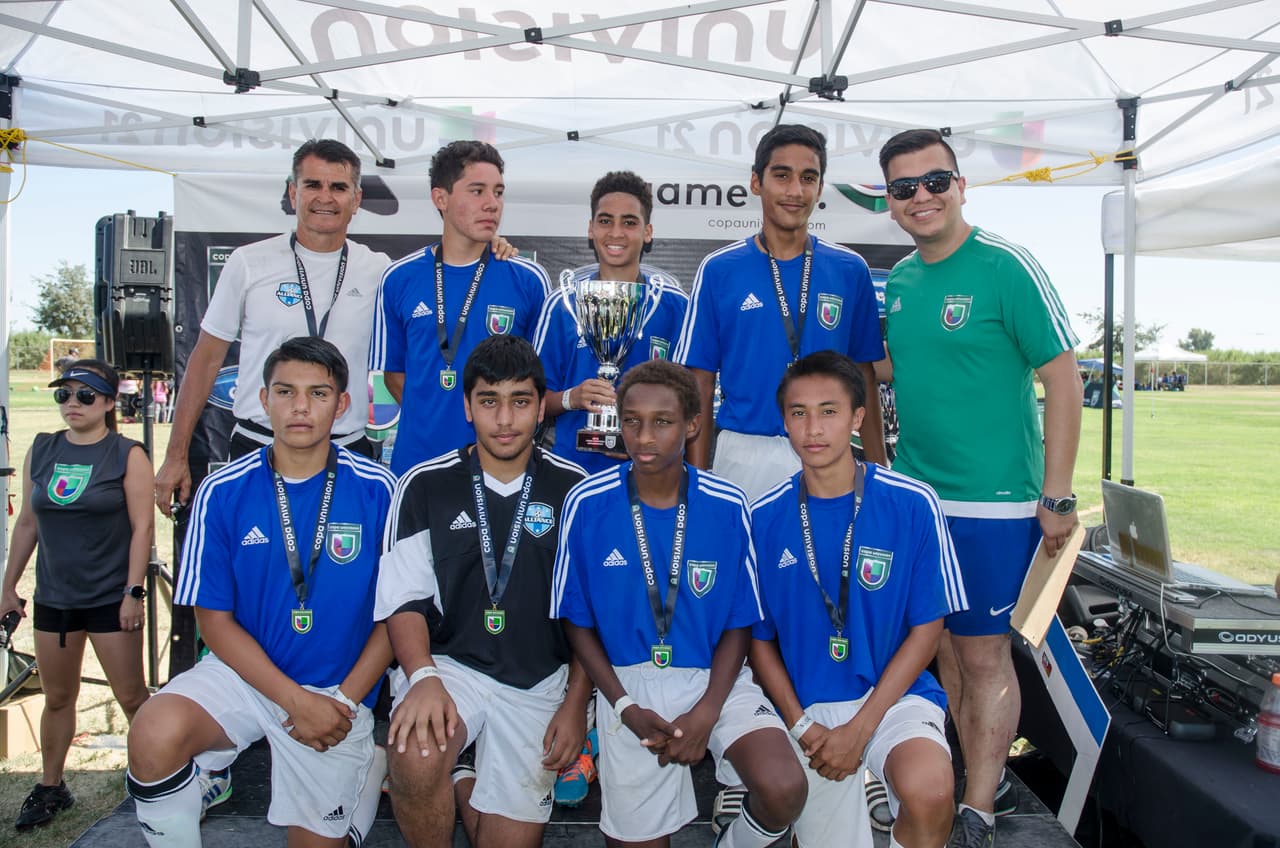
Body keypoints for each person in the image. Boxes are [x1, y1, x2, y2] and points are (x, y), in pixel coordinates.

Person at [878, 129, 1082, 848]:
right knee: (941, 649)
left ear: (961, 184)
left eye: (935, 181)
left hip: (997, 504)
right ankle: (962, 778)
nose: (921, 197)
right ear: (890, 202)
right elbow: (892, 374)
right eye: (904, 188)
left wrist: (1056, 495)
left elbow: (1063, 378)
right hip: (922, 502)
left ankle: (981, 802)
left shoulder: (1005, 266)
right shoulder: (900, 282)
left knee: (986, 654)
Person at [125, 337, 397, 847]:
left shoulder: (380, 489)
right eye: (285, 391)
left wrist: (339, 701)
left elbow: (395, 618)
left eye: (318, 394)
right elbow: (214, 621)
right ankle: (199, 787)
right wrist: (293, 700)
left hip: (335, 694)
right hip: (246, 678)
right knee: (154, 731)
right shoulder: (220, 489)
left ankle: (361, 773)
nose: (300, 407)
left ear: (342, 405)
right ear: (261, 399)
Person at [552, 359, 807, 848]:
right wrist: (624, 706)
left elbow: (740, 620)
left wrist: (709, 708)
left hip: (716, 677)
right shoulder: (586, 502)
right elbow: (577, 621)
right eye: (631, 420)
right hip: (629, 685)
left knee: (785, 788)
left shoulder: (728, 503)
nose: (644, 436)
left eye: (662, 422)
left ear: (692, 425)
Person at [376, 334, 591, 848]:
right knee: (414, 753)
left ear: (542, 408)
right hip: (451, 668)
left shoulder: (575, 488)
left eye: (519, 402)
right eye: (488, 402)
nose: (504, 419)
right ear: (468, 407)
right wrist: (423, 677)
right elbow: (402, 600)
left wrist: (576, 705)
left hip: (539, 679)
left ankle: (466, 774)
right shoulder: (424, 484)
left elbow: (590, 616)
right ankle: (454, 765)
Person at [749, 351, 963, 848]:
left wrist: (862, 727)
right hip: (809, 709)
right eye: (798, 413)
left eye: (829, 411)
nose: (813, 428)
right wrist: (802, 726)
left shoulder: (911, 502)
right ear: (783, 422)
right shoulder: (762, 517)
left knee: (929, 792)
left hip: (892, 699)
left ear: (858, 418)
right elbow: (757, 641)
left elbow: (929, 628)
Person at [154, 138, 389, 518]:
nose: (324, 197)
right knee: (252, 573)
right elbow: (206, 360)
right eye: (313, 184)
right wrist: (175, 454)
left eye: (339, 187)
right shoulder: (249, 263)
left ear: (357, 199)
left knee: (343, 573)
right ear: (293, 192)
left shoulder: (380, 271)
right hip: (259, 447)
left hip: (346, 451)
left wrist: (493, 246)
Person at [674, 123, 885, 501]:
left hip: (830, 450)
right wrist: (697, 480)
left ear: (820, 188)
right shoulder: (719, 269)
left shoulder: (849, 269)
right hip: (744, 453)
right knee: (743, 560)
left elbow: (864, 376)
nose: (795, 191)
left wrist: (879, 468)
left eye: (808, 178)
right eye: (781, 175)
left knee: (827, 560)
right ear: (756, 182)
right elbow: (700, 383)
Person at [1, 361, 153, 831]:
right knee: (58, 696)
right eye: (64, 395)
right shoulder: (43, 448)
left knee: (131, 697)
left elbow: (142, 528)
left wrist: (133, 592)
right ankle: (52, 786)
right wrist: (7, 588)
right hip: (54, 598)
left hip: (111, 597)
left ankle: (158, 779)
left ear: (109, 402)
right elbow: (28, 522)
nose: (73, 404)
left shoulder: (127, 453)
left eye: (86, 396)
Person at [370, 140, 551, 476]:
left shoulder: (528, 279)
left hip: (501, 468)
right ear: (441, 198)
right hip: (417, 465)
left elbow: (542, 380)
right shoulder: (398, 277)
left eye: (498, 192)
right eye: (477, 191)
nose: (492, 204)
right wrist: (432, 412)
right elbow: (394, 374)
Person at [534, 169, 689, 475]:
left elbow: (693, 402)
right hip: (573, 473)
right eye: (605, 221)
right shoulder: (562, 305)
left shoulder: (675, 307)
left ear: (648, 232)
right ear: (591, 229)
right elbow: (533, 400)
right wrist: (572, 397)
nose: (616, 233)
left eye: (629, 222)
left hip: (653, 476)